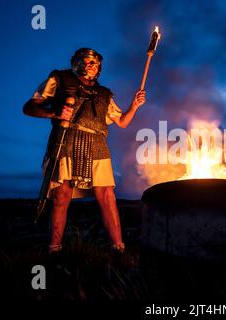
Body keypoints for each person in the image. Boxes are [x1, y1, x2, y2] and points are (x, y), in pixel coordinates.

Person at [23, 48, 145, 254]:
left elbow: (122, 122)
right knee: (62, 194)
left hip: (97, 143)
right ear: (76, 62)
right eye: (86, 61)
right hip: (66, 140)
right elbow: (29, 107)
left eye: (94, 63)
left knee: (107, 194)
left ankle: (118, 248)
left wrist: (134, 106)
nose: (90, 65)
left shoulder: (104, 94)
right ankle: (54, 249)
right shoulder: (59, 79)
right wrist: (54, 112)